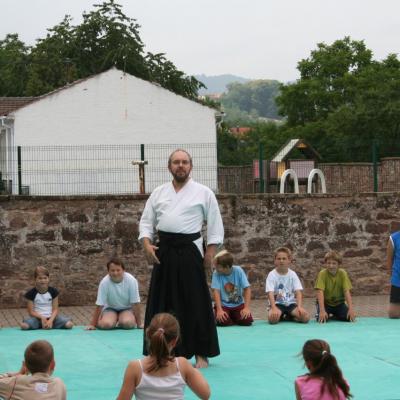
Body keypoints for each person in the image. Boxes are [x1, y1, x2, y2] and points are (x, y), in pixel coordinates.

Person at [139, 149, 224, 368]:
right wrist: (147, 245)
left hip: (190, 250)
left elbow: (215, 225)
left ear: (191, 166)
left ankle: (201, 353)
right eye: (176, 162)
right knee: (161, 302)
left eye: (185, 162)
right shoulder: (159, 193)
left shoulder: (203, 193)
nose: (181, 166)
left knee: (196, 302)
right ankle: (158, 352)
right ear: (169, 167)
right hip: (164, 251)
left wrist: (210, 253)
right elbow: (146, 222)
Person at [116, 313, 210, 400]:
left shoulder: (135, 367)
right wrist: (195, 372)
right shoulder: (182, 365)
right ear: (174, 341)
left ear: (148, 334)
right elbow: (206, 394)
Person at [86, 258, 143, 330]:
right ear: (108, 271)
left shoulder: (131, 280)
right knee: (106, 325)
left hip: (126, 309)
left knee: (128, 324)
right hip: (110, 308)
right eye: (112, 270)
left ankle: (121, 320)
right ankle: (105, 320)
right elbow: (99, 304)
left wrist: (139, 324)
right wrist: (92, 324)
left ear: (123, 270)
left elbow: (135, 303)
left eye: (118, 270)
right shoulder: (104, 282)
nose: (115, 273)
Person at [0, 340, 67, 400]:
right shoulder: (59, 384)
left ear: (25, 365)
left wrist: (17, 374)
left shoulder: (16, 382)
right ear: (53, 364)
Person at [266, 247, 309, 324]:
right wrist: (273, 308)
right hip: (277, 304)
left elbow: (298, 292)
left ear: (289, 260)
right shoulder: (271, 275)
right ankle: (281, 315)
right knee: (272, 320)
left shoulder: (293, 274)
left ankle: (290, 316)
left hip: (291, 304)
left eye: (284, 258)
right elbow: (270, 293)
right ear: (275, 260)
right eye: (278, 259)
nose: (281, 261)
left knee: (305, 318)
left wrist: (299, 307)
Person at [211, 249, 253, 326]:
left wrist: (246, 308)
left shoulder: (238, 271)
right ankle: (224, 315)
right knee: (222, 321)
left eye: (218, 266)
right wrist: (219, 310)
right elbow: (216, 291)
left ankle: (233, 316)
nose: (215, 267)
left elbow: (247, 289)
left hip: (238, 304)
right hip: (223, 305)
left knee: (247, 321)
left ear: (226, 267)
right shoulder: (216, 273)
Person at [315, 251, 356, 323]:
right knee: (322, 319)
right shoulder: (322, 274)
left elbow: (346, 291)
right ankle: (319, 313)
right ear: (325, 263)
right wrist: (322, 310)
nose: (331, 266)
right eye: (329, 263)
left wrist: (351, 309)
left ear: (339, 264)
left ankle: (336, 315)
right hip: (326, 303)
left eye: (334, 263)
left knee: (350, 318)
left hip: (339, 303)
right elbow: (320, 291)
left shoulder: (343, 273)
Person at [387, 230, 400, 318]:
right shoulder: (393, 238)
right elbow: (389, 260)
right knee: (393, 314)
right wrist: (391, 276)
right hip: (397, 279)